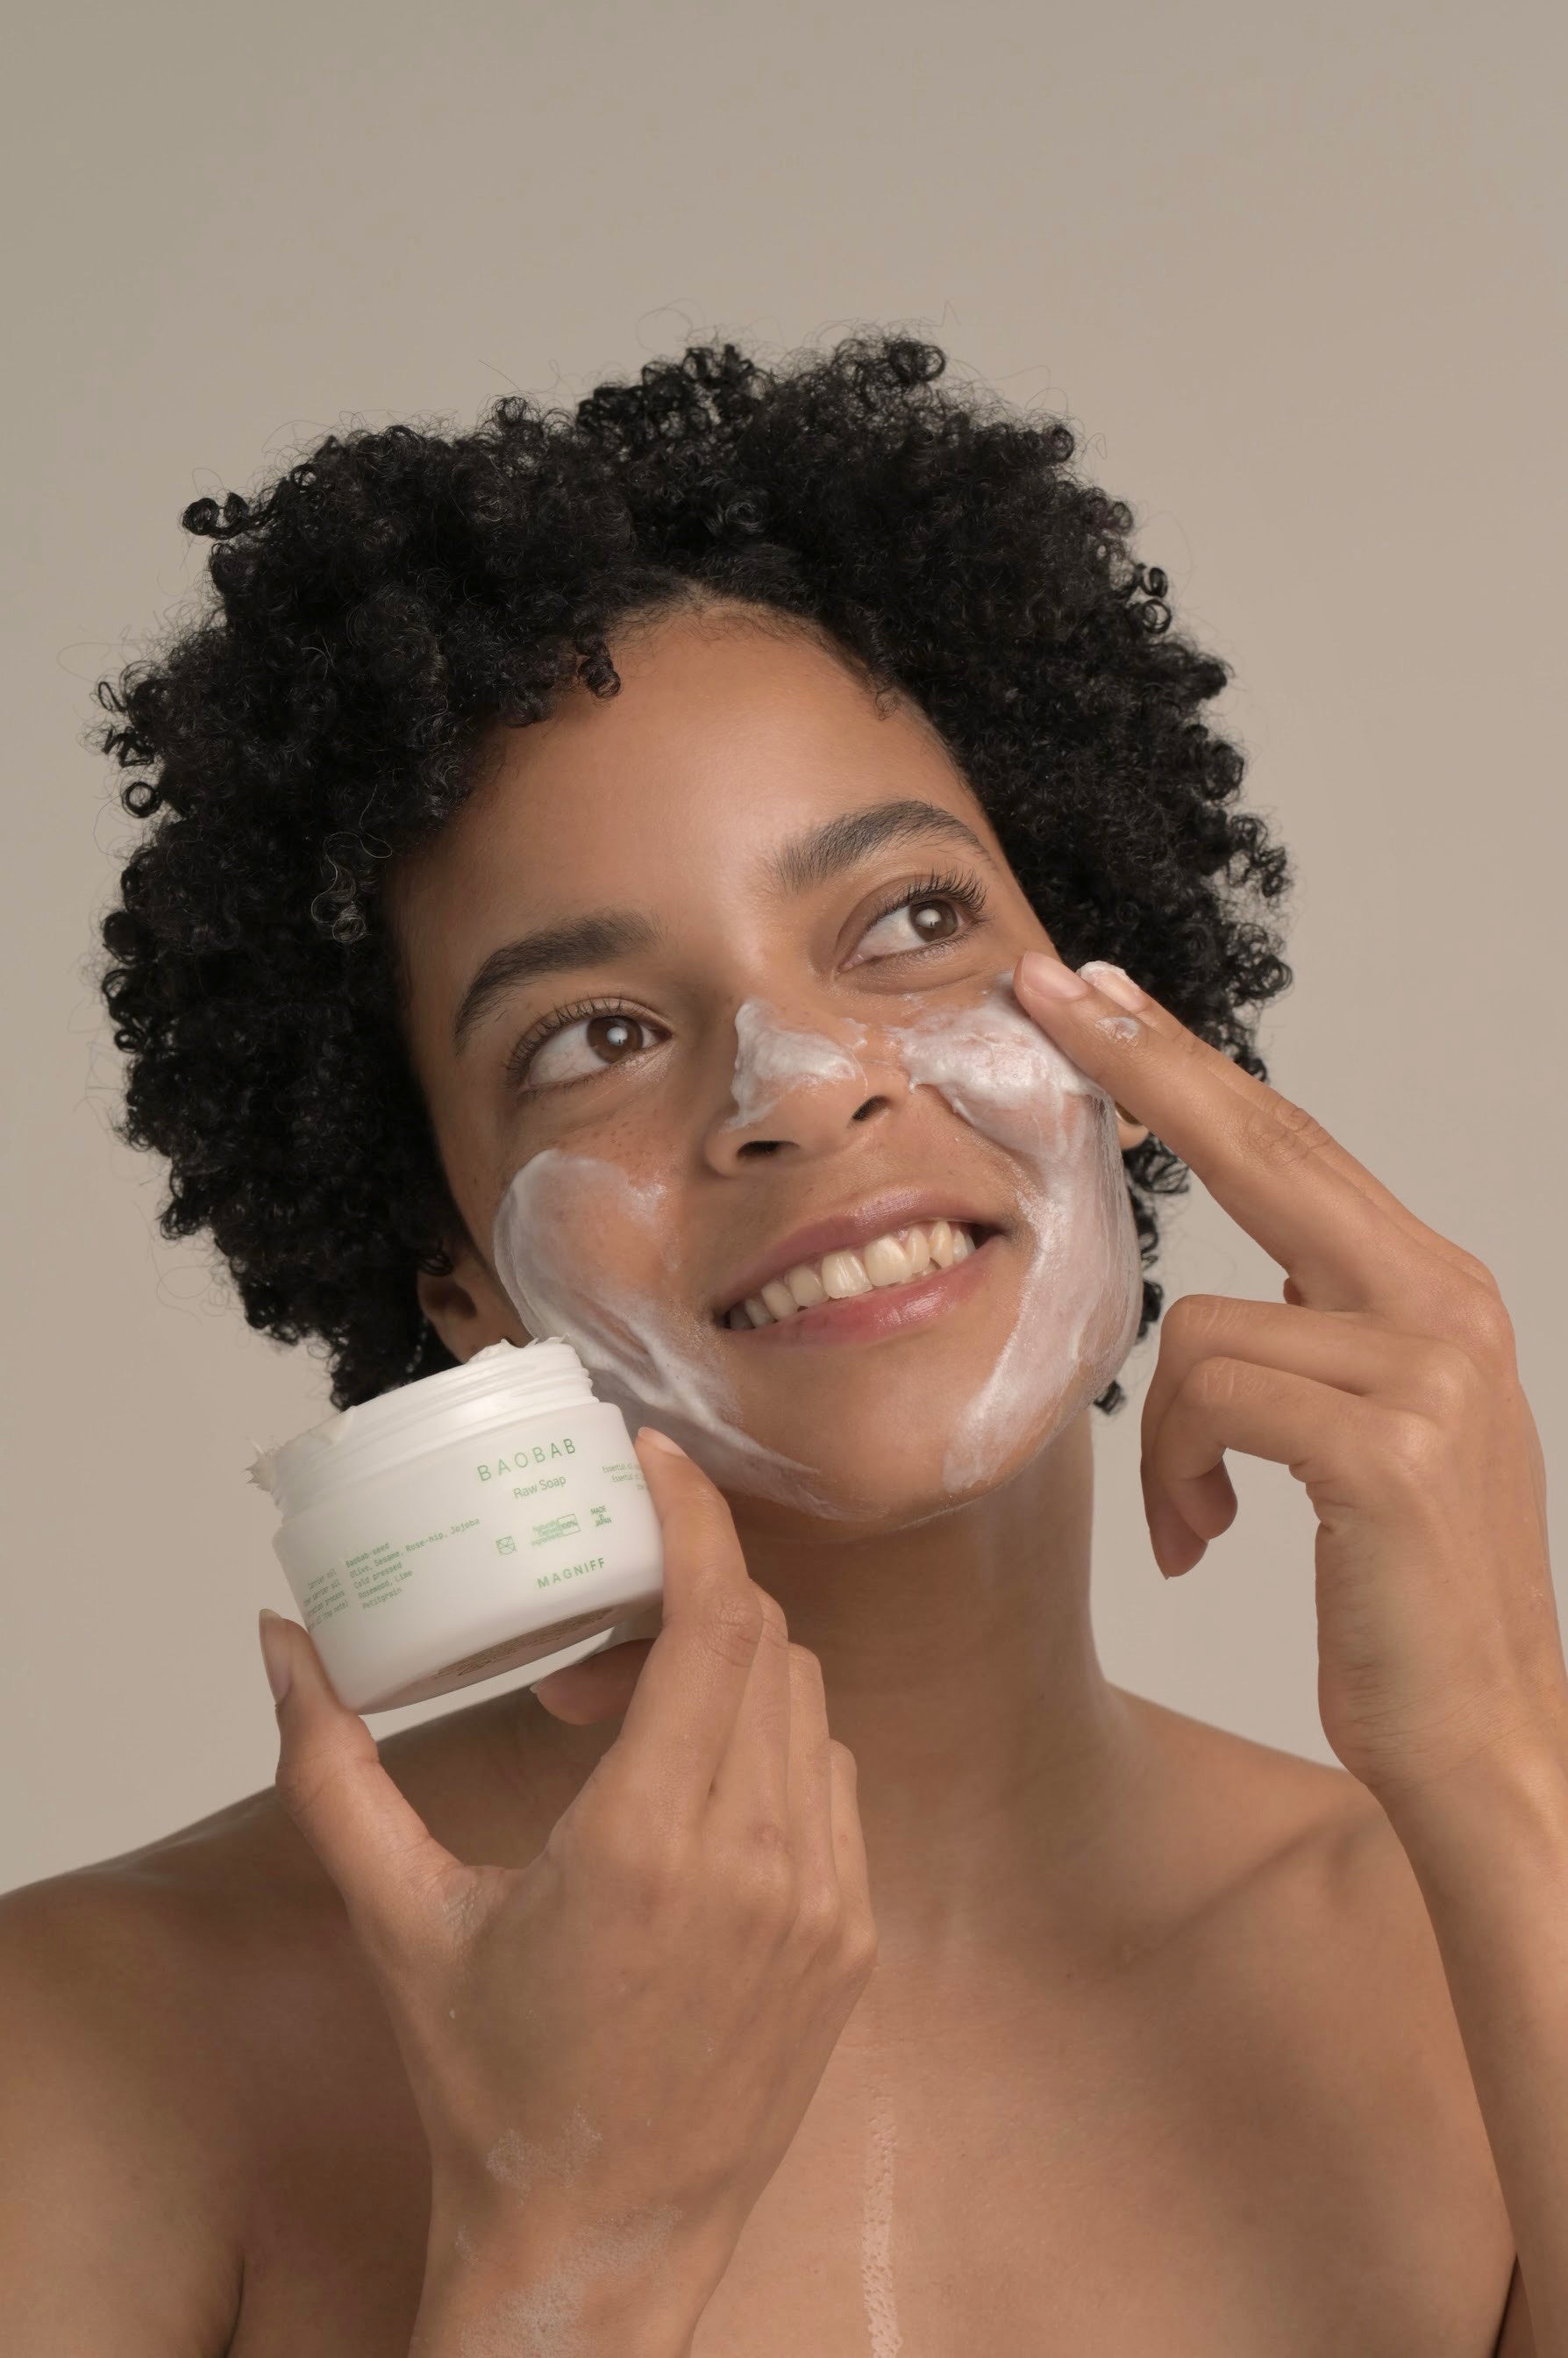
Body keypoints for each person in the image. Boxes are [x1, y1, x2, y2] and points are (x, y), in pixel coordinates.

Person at [1, 332, 1557, 2355]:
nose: (803, 1087)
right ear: (452, 1273)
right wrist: (571, 2249)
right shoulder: (96, 2049)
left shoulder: (1470, 1953)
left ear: (1122, 1025)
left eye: (906, 923)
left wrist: (1504, 1756)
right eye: (598, 1037)